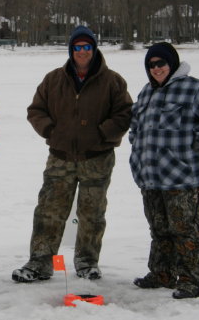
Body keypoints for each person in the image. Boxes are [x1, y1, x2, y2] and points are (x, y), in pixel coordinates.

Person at [12, 26, 133, 283]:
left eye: (86, 47)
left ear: (94, 49)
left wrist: (102, 134)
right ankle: (40, 263)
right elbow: (36, 110)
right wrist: (51, 131)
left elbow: (124, 114)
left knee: (92, 214)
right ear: (71, 50)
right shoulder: (53, 79)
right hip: (60, 157)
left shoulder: (113, 81)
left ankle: (87, 262)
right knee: (49, 211)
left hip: (97, 159)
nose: (81, 52)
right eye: (77, 47)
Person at [129, 42, 199, 299]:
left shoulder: (193, 88)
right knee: (159, 230)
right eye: (151, 65)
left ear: (171, 64)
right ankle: (162, 274)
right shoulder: (147, 92)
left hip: (183, 177)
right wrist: (136, 142)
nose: (156, 69)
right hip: (151, 177)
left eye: (160, 63)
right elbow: (136, 124)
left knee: (186, 230)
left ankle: (191, 280)